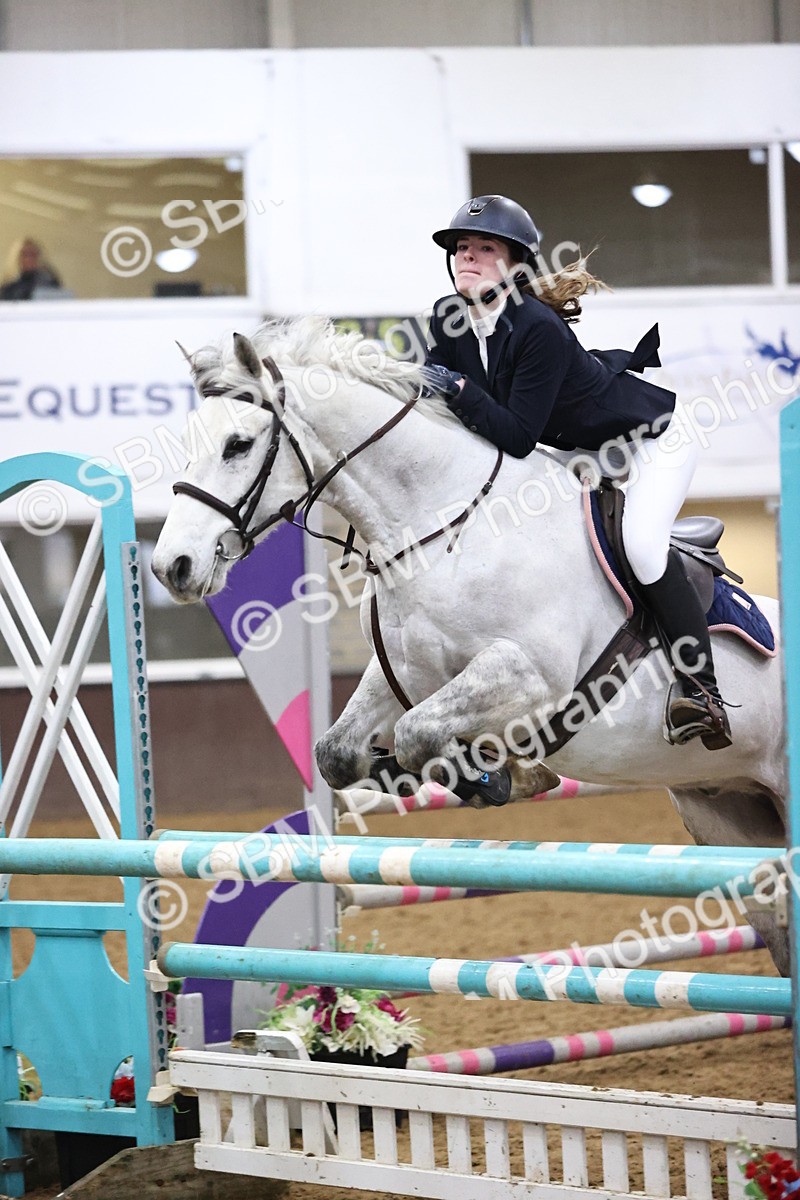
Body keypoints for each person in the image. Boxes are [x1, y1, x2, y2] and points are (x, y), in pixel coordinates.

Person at [423, 194, 731, 752]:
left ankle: (702, 691)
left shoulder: (536, 326)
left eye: (483, 248)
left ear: (515, 263)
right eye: (460, 247)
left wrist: (463, 391)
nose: (466, 255)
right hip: (575, 450)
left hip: (652, 439)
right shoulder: (450, 322)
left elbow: (515, 435)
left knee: (640, 545)